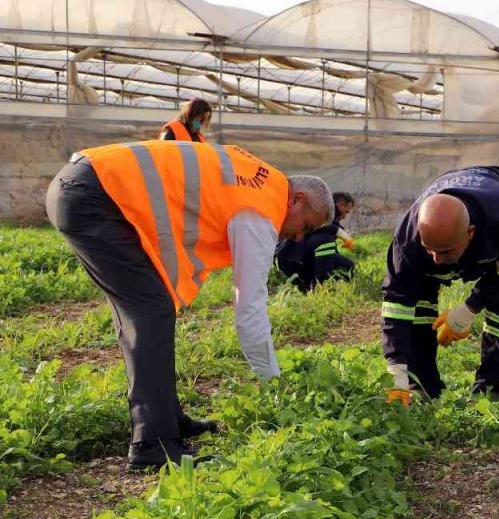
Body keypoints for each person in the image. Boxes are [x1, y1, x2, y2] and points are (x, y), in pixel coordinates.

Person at [45, 140, 334, 469]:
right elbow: (250, 306)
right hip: (95, 196)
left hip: (85, 185)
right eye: (306, 227)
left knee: (152, 309)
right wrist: (273, 382)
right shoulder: (260, 207)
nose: (298, 238)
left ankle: (167, 418)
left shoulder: (259, 180)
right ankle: (152, 444)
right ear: (297, 199)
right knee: (151, 311)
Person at [381, 166, 499, 405]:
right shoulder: (408, 239)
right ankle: (421, 385)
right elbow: (396, 302)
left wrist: (469, 308)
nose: (437, 260)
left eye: (445, 252)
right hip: (452, 200)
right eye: (429, 249)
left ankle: (491, 392)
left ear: (470, 233)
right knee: (419, 302)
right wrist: (396, 367)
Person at [275, 191, 356, 292]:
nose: (344, 216)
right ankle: (321, 285)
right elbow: (323, 227)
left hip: (302, 256)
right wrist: (343, 235)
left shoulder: (330, 222)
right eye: (346, 212)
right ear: (341, 205)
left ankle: (310, 286)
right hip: (290, 257)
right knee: (325, 239)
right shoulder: (319, 212)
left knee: (348, 266)